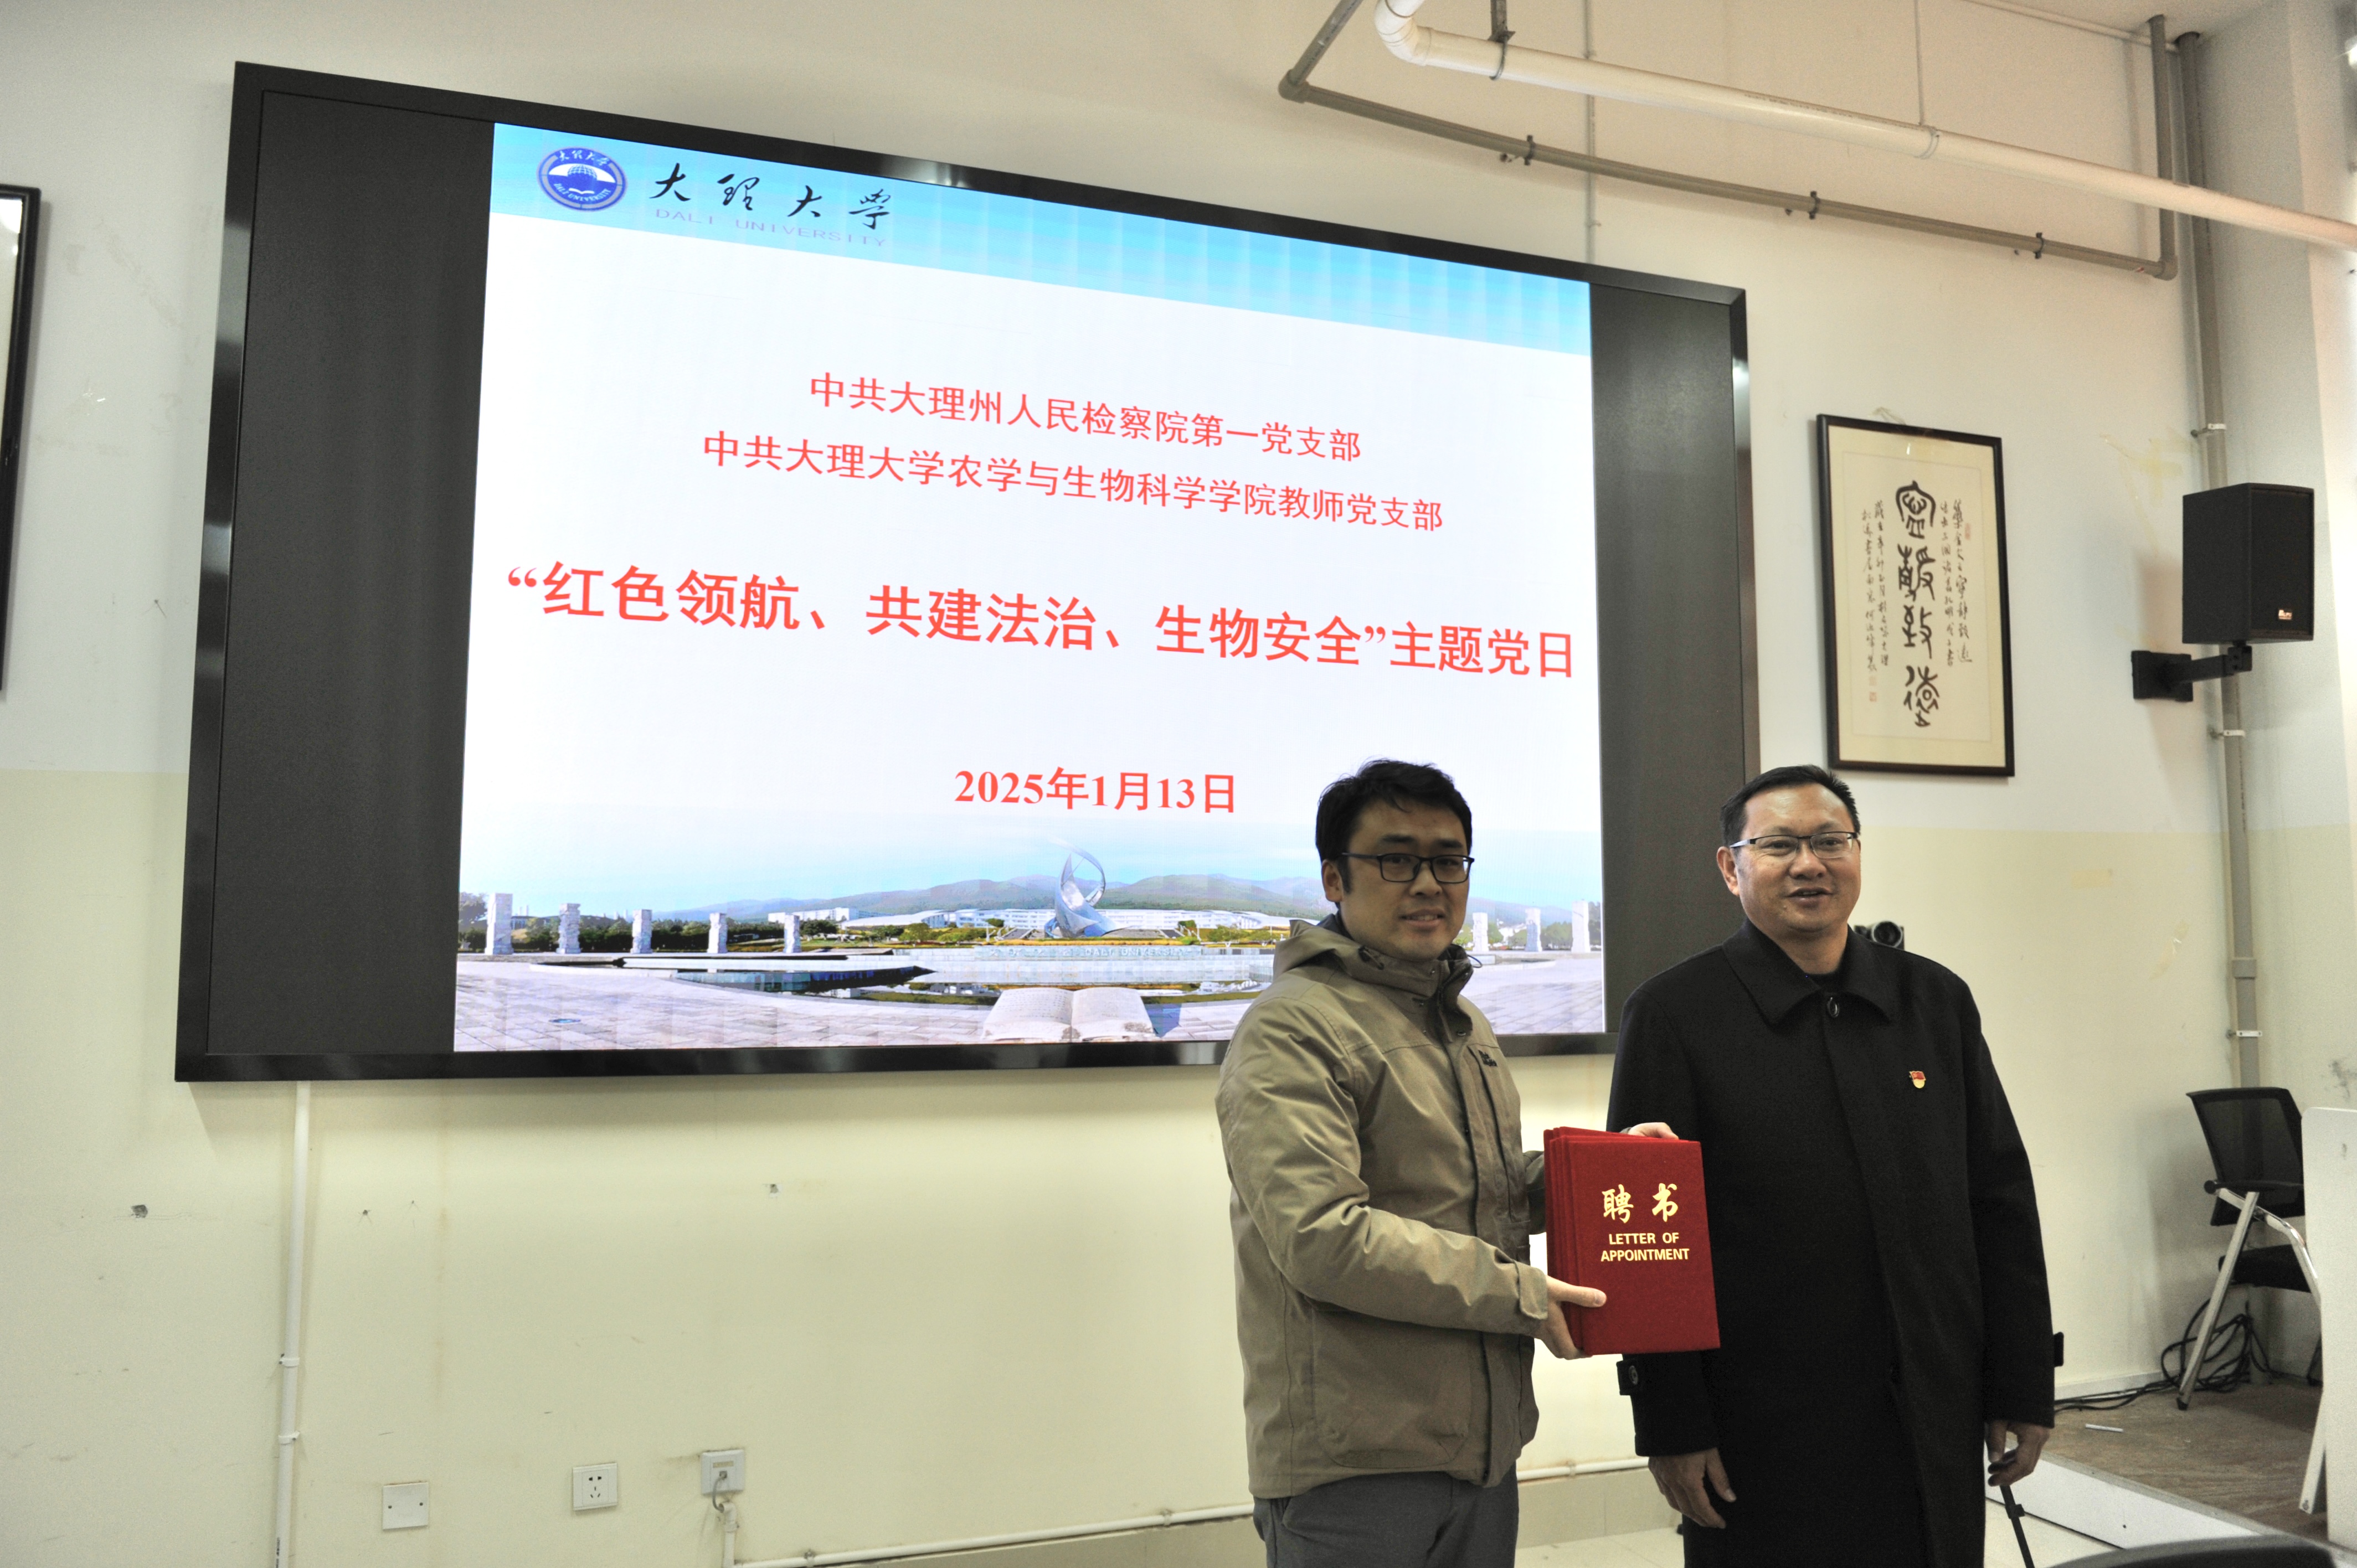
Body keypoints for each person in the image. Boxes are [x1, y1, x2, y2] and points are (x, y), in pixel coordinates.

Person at [1607, 764, 2054, 1567]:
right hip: (1762, 1424)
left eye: (1830, 842)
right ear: (1731, 867)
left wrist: (2021, 1381)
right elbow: (1647, 1249)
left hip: (1931, 1405)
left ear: (1857, 854)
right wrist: (1671, 1424)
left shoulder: (1933, 1000)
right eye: (1779, 845)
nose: (1809, 865)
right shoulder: (1674, 1014)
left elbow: (1998, 1197)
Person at [1217, 759, 1637, 1568]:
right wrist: (1519, 1293)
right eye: (1395, 859)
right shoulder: (1291, 1028)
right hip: (1356, 1461)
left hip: (1481, 1447)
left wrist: (1611, 1172)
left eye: (1448, 862)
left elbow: (1480, 1192)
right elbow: (1323, 1238)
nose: (1427, 885)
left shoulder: (1461, 1021)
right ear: (1335, 879)